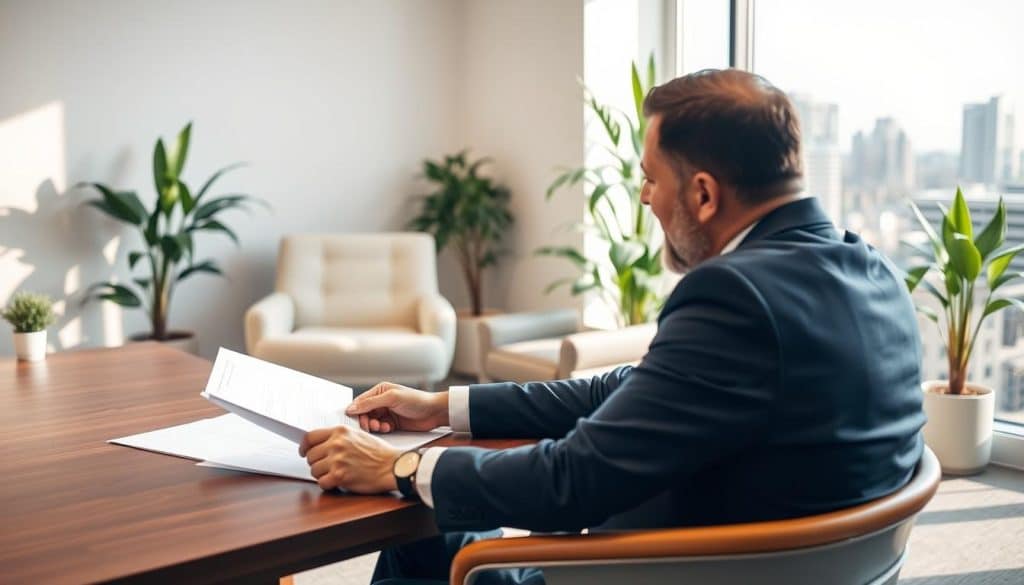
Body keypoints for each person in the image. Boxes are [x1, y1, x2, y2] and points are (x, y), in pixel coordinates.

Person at [298, 68, 926, 585]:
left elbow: (573, 480)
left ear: (703, 194)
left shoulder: (736, 294)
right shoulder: (875, 275)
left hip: (669, 573)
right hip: (775, 566)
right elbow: (633, 386)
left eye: (651, 178)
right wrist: (444, 406)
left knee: (434, 531)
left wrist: (398, 470)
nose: (645, 198)